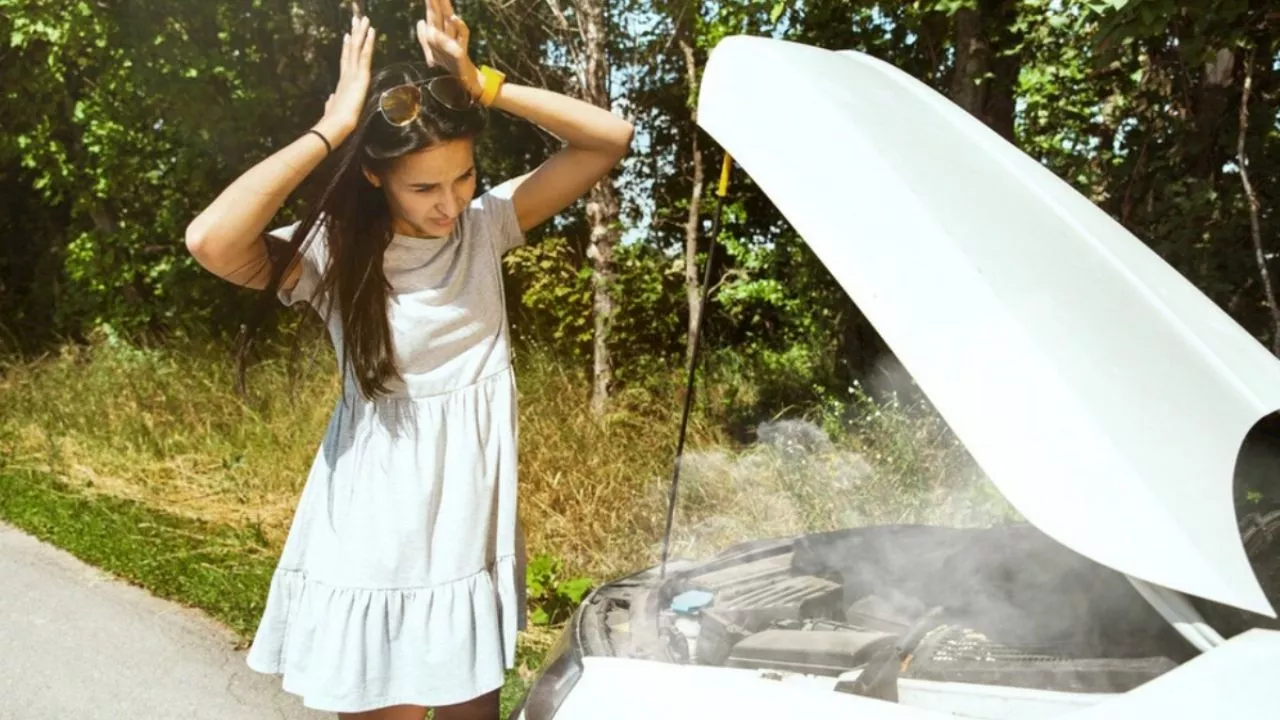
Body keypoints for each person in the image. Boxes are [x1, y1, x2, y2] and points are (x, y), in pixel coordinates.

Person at [183, 1, 633, 718]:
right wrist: (332, 130)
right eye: (424, 187)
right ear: (374, 177)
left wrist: (480, 81)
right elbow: (211, 240)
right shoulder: (334, 255)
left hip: (465, 531)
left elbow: (609, 138)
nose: (450, 203)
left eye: (462, 177)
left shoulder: (484, 230)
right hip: (372, 537)